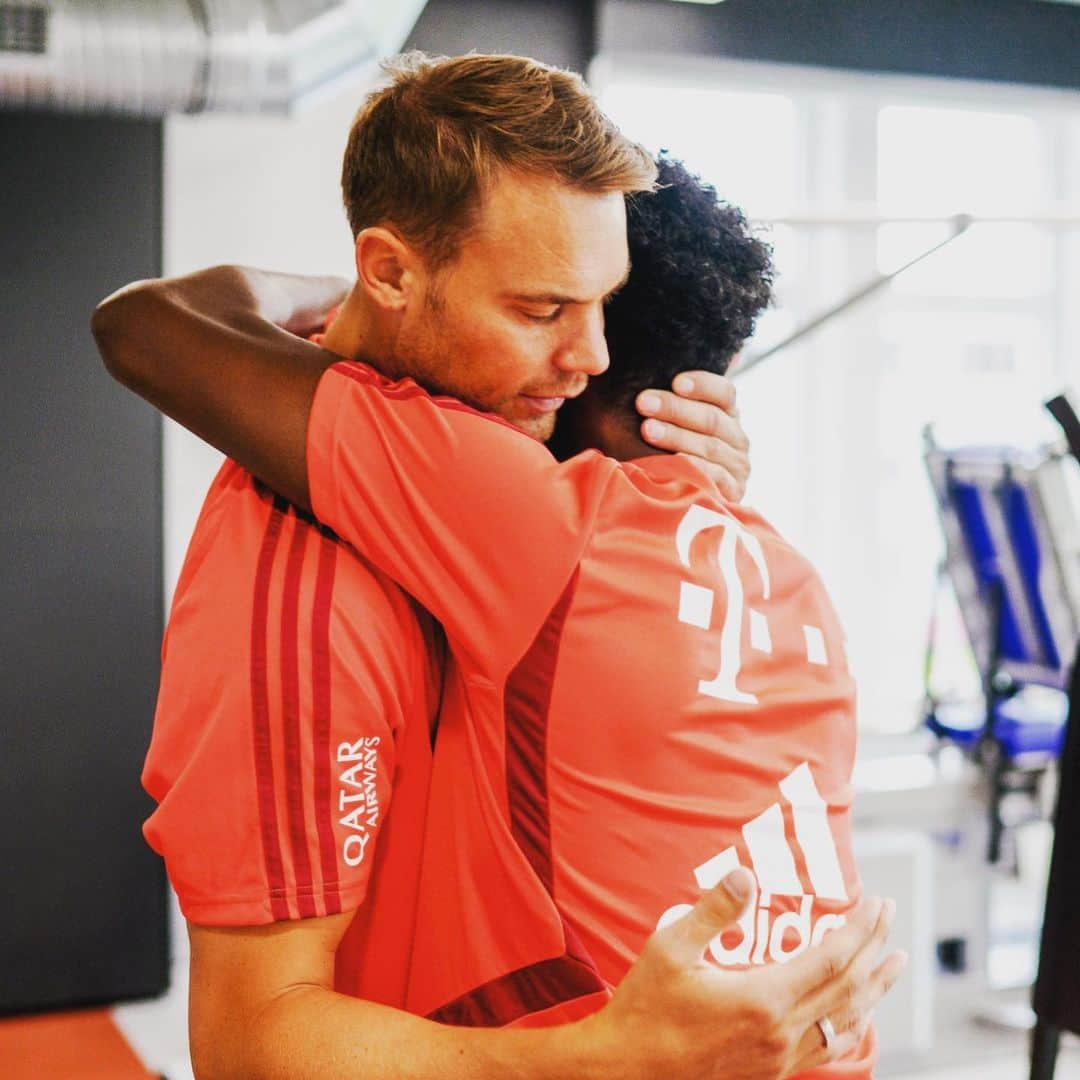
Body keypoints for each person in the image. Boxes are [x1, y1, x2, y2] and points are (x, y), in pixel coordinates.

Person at [94, 53, 902, 1079]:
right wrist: (607, 1054)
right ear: (388, 270)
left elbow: (161, 321)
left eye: (603, 305)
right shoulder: (770, 560)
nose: (592, 357)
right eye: (541, 309)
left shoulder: (542, 507)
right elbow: (250, 1041)